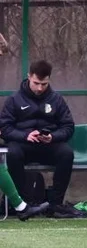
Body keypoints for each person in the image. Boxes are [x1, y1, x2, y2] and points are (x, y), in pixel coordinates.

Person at [0, 60, 79, 218]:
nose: (40, 88)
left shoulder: (56, 99)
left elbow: (68, 127)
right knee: (12, 154)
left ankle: (55, 205)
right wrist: (25, 135)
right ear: (29, 76)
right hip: (22, 144)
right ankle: (23, 204)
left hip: (48, 145)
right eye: (36, 83)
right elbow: (5, 128)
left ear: (49, 79)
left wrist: (52, 136)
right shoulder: (14, 99)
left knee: (66, 153)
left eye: (44, 84)